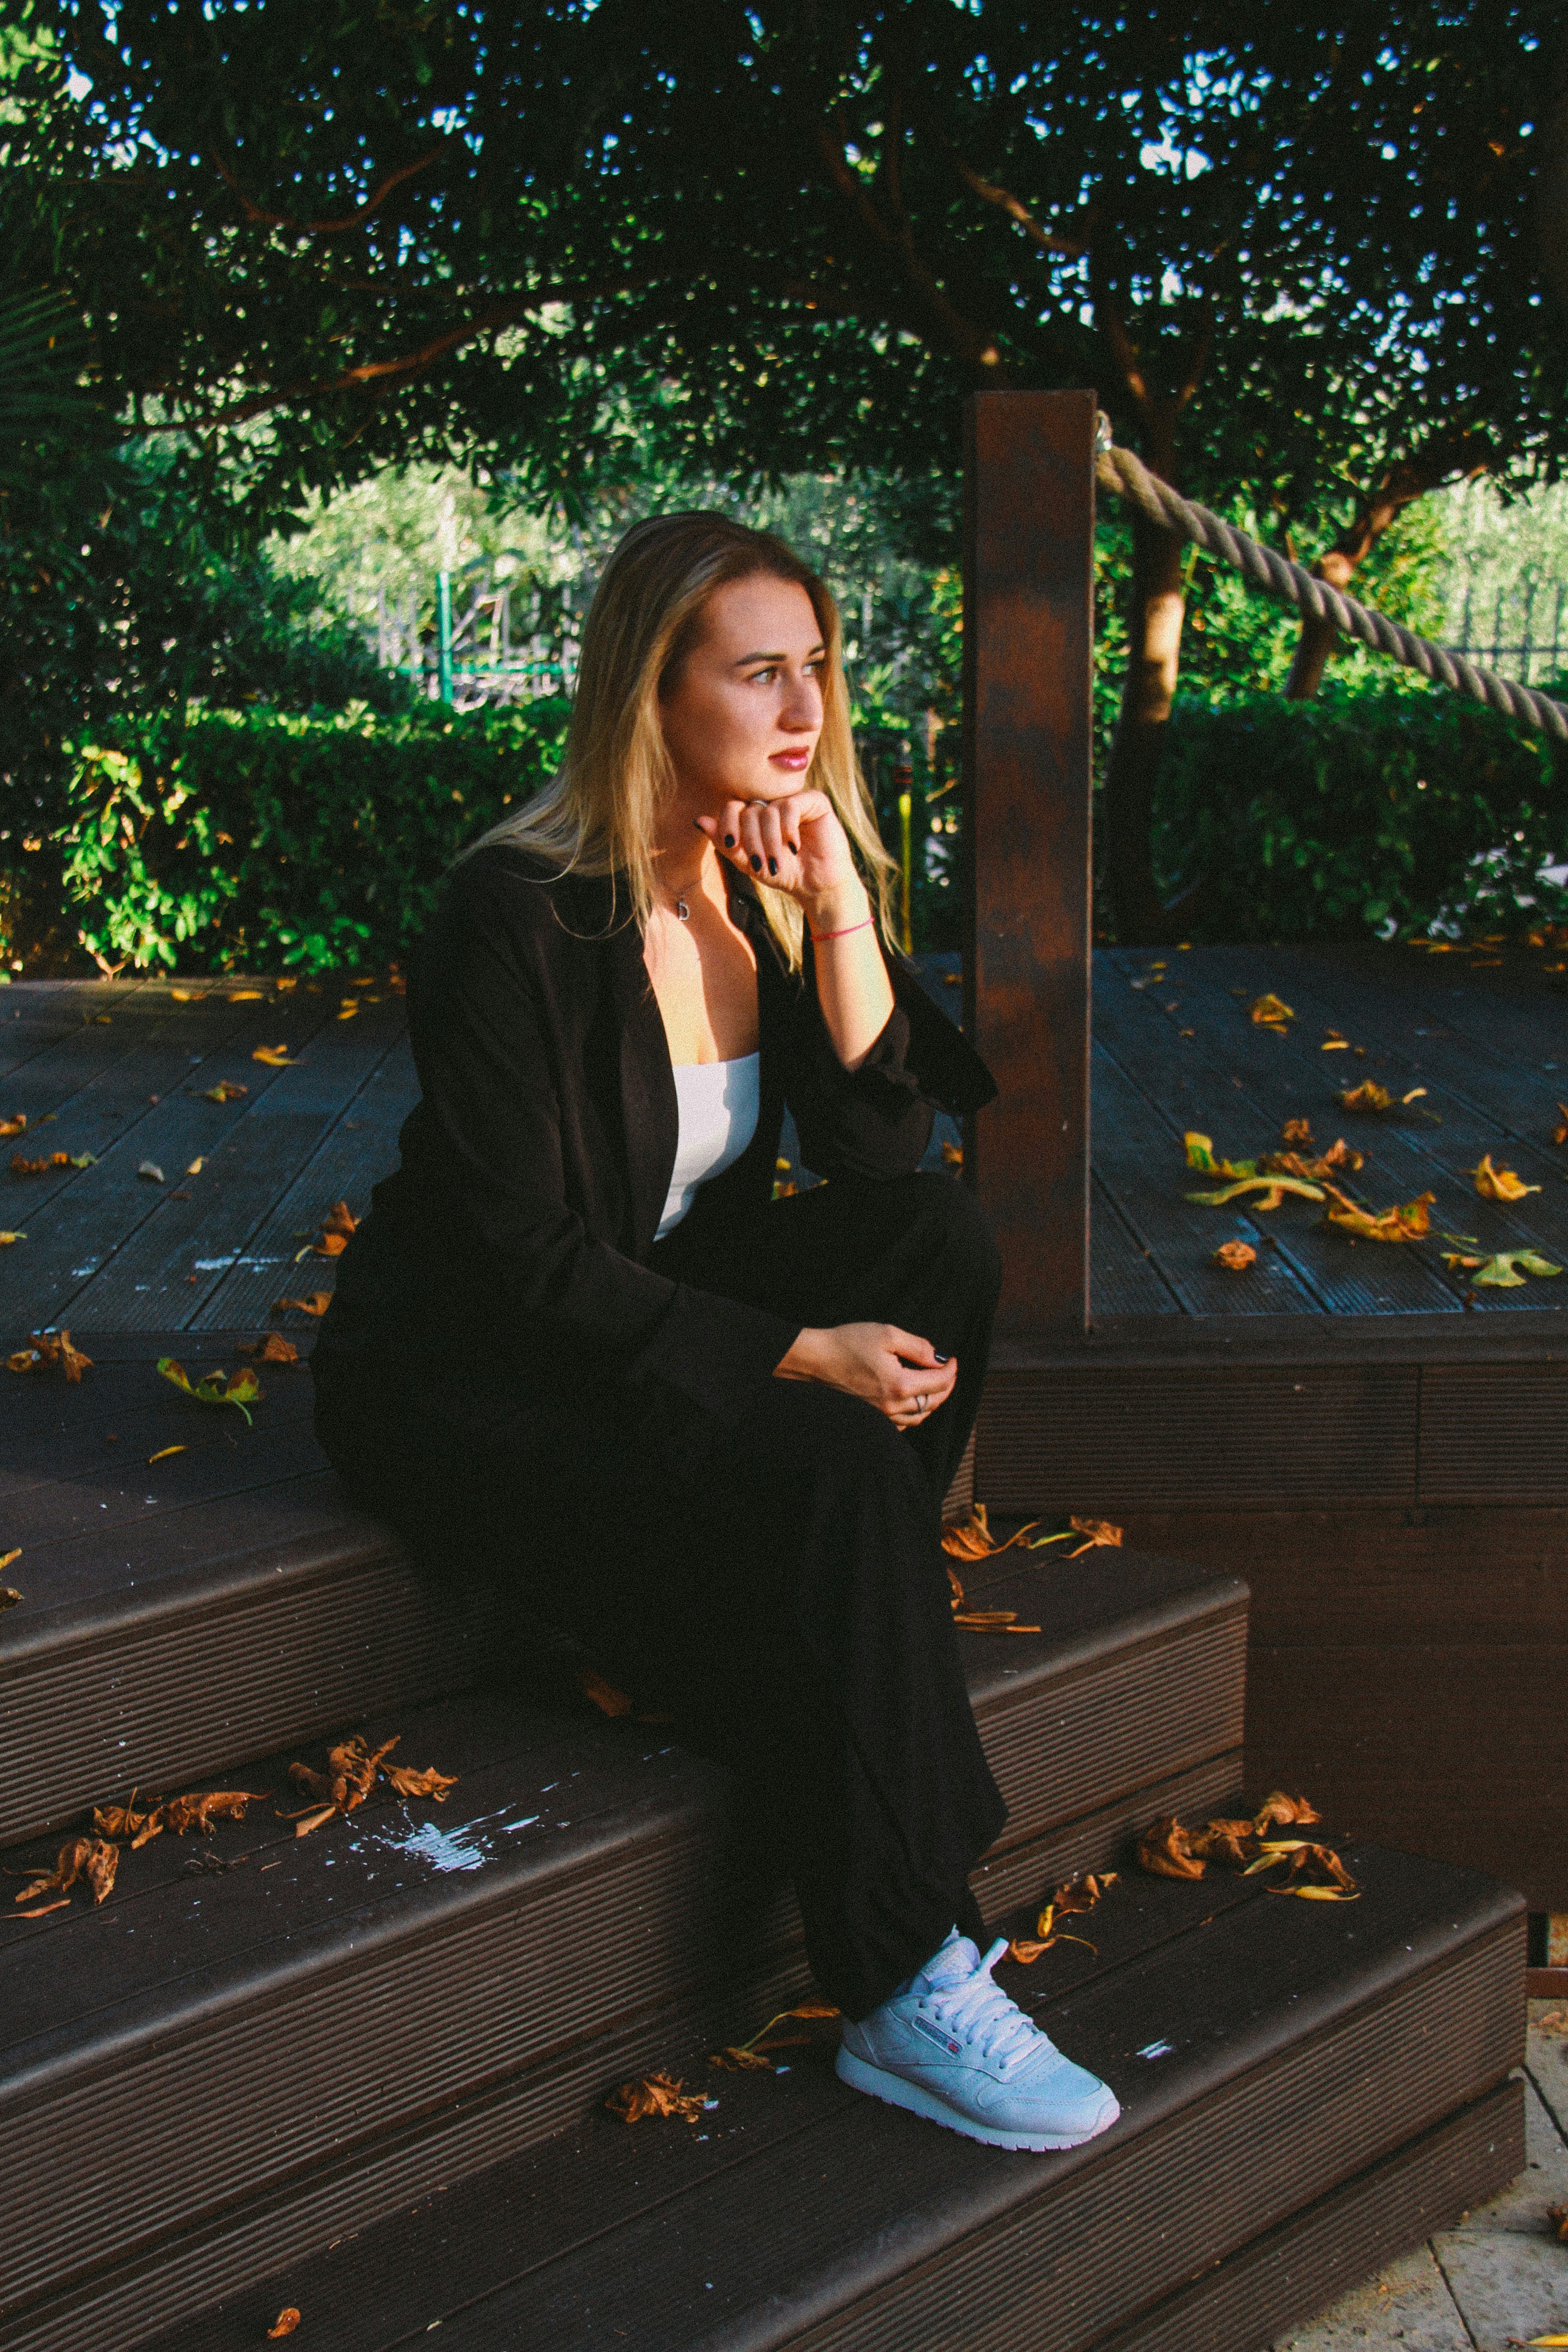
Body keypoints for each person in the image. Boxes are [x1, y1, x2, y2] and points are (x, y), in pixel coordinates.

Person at [311, 512, 1119, 2155]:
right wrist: (791, 1360)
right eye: (759, 671)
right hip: (475, 1371)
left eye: (816, 667)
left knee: (939, 1238)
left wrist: (834, 914)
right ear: (650, 689)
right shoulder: (516, 914)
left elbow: (885, 1159)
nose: (803, 705)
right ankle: (906, 1977)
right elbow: (526, 1257)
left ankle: (820, 1573)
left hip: (654, 1305)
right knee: (826, 1440)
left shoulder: (757, 880)